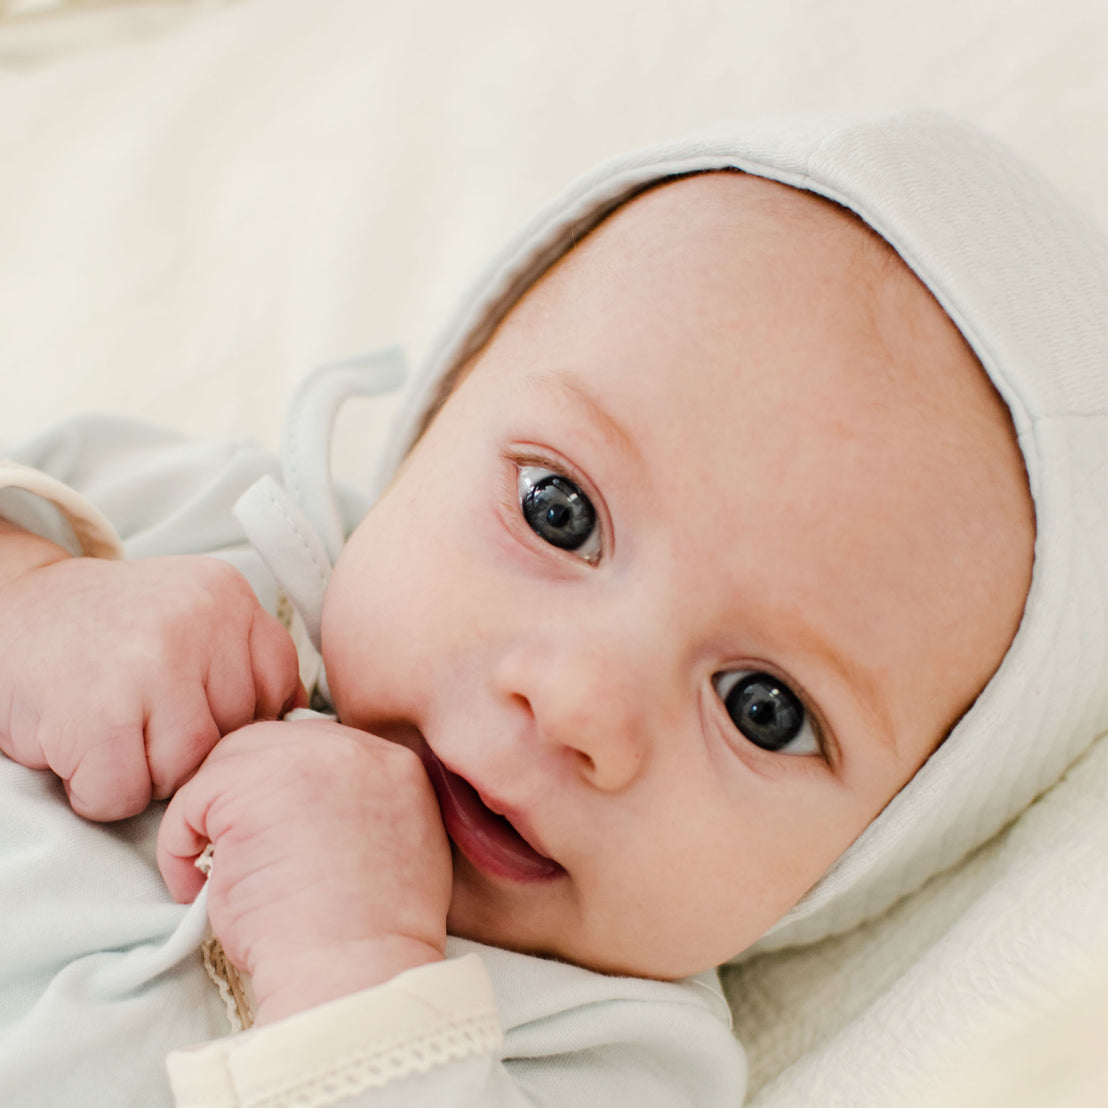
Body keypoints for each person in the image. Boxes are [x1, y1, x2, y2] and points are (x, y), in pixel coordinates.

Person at [0, 110, 1104, 1107]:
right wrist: (37, 603)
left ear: (874, 852)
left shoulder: (613, 1054)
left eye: (761, 706)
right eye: (559, 511)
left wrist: (345, 965)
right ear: (438, 416)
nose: (576, 703)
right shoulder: (181, 531)